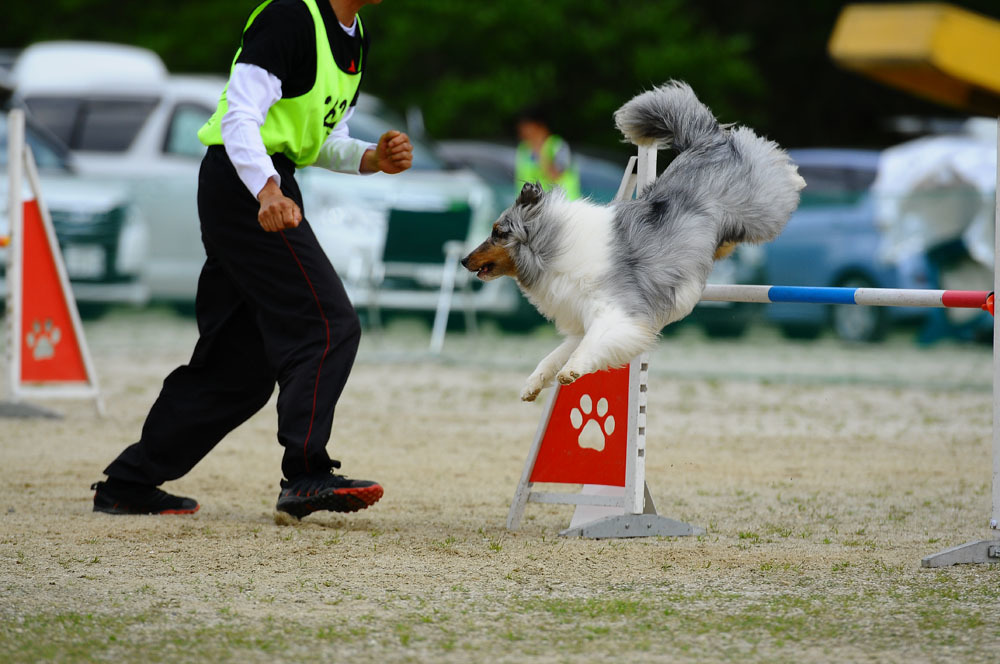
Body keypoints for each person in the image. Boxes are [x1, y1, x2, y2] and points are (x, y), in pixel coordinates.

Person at [90, 0, 412, 519]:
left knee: (237, 372)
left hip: (268, 185)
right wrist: (266, 189)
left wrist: (371, 158)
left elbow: (321, 139)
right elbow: (241, 116)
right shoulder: (289, 16)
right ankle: (305, 474)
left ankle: (128, 483)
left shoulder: (355, 37)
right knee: (329, 323)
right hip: (247, 187)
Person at [514, 106, 581, 200]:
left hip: (563, 205)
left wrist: (539, 150)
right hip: (534, 208)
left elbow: (555, 175)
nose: (521, 130)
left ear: (539, 125)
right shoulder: (523, 149)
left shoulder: (558, 146)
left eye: (525, 126)